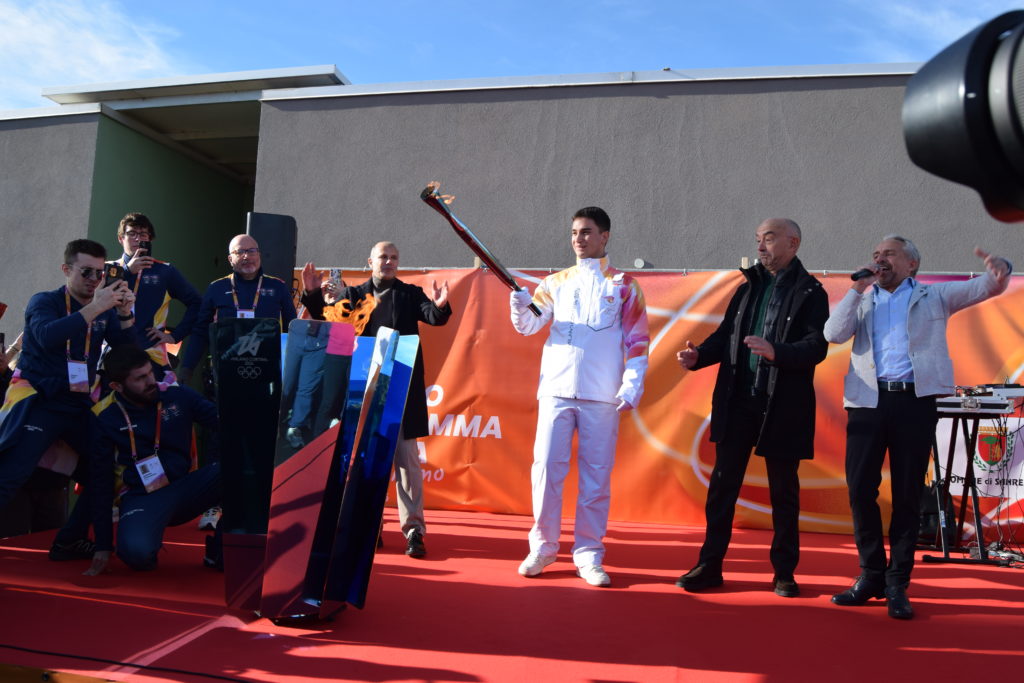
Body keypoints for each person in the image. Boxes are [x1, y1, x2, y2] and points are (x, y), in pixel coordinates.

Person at [824, 237, 1011, 619]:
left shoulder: (934, 296)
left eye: (889, 254)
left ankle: (897, 582)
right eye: (876, 255)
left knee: (907, 494)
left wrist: (1000, 271)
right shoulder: (864, 300)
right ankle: (871, 574)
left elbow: (984, 287)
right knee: (860, 489)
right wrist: (856, 289)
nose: (880, 259)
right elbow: (833, 333)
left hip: (914, 402)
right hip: (867, 402)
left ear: (911, 264)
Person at [675, 219, 828, 597]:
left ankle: (784, 573)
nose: (760, 247)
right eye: (758, 239)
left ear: (793, 243)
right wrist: (699, 356)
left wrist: (778, 352)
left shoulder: (811, 292)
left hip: (782, 404)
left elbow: (817, 347)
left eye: (769, 239)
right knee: (722, 487)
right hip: (738, 399)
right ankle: (709, 566)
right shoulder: (747, 288)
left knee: (784, 493)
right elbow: (725, 337)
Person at [510, 206, 649, 587]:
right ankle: (543, 547)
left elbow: (638, 341)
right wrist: (520, 305)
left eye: (586, 232)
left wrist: (631, 384)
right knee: (545, 471)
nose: (578, 239)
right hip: (556, 391)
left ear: (604, 236)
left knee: (595, 477)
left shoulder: (624, 285)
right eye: (574, 232)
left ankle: (588, 553)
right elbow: (529, 325)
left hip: (601, 395)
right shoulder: (554, 283)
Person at [300, 242, 451, 558]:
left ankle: (414, 531)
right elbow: (328, 319)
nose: (389, 261)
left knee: (408, 464)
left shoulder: (410, 294)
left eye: (394, 257)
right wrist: (312, 295)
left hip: (402, 391)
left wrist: (439, 305)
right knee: (366, 463)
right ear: (370, 261)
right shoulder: (354, 295)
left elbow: (434, 317)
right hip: (365, 390)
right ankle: (370, 527)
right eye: (384, 257)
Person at [0, 239, 137, 558]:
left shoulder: (102, 310)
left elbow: (127, 354)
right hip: (40, 400)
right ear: (66, 269)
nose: (94, 279)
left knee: (105, 473)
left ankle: (68, 540)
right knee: (10, 474)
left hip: (77, 404)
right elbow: (46, 336)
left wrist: (125, 314)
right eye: (86, 271)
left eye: (100, 273)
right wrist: (97, 308)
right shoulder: (44, 301)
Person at [84, 344, 221, 574]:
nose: (150, 381)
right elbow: (100, 481)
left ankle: (222, 549)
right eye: (140, 378)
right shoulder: (105, 417)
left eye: (150, 373)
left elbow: (225, 423)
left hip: (187, 486)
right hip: (143, 495)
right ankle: (144, 536)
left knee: (242, 469)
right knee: (136, 553)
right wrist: (103, 544)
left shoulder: (177, 395)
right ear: (117, 386)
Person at [179, 234, 296, 382]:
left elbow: (292, 330)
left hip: (268, 371)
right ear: (230, 259)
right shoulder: (216, 288)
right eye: (240, 252)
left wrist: (293, 371)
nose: (246, 256)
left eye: (252, 251)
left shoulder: (278, 287)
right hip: (226, 370)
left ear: (259, 255)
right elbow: (201, 331)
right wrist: (187, 368)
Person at [110, 213, 202, 378]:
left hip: (150, 354)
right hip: (112, 351)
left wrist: (174, 336)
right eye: (132, 233)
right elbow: (95, 299)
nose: (137, 239)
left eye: (143, 234)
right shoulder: (109, 269)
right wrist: (128, 271)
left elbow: (197, 303)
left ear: (150, 239)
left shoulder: (165, 271)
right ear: (120, 238)